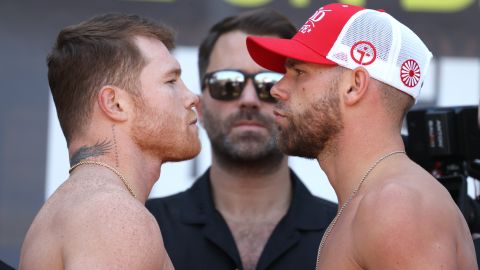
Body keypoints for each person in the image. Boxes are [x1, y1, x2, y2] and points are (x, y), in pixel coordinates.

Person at [246, 3, 477, 270]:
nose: (277, 88)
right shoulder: (370, 201)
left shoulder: (396, 204)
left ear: (354, 86)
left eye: (299, 72)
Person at [146, 9, 337, 270]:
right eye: (227, 84)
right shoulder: (146, 228)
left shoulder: (346, 231)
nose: (249, 100)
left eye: (269, 83)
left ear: (298, 104)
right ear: (199, 107)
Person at [19, 13, 200, 270]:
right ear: (115, 103)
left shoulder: (81, 207)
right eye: (171, 81)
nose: (192, 97)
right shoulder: (113, 216)